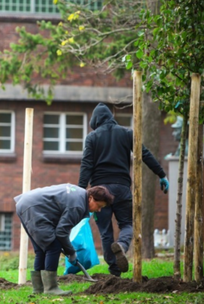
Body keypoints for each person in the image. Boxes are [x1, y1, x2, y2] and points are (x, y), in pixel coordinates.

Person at [78, 103, 169, 277]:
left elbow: (86, 165)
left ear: (95, 121)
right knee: (127, 224)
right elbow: (145, 154)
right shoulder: (127, 133)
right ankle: (123, 245)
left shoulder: (92, 137)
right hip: (122, 189)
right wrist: (161, 174)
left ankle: (114, 273)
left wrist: (81, 190)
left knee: (106, 232)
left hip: (99, 193)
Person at [15, 184, 113, 295]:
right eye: (99, 206)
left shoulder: (80, 194)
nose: (99, 210)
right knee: (53, 247)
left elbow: (61, 227)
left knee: (42, 249)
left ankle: (38, 289)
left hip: (25, 203)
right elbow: (61, 232)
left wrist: (68, 249)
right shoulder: (78, 206)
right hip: (34, 208)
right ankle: (51, 289)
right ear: (90, 198)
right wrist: (71, 252)